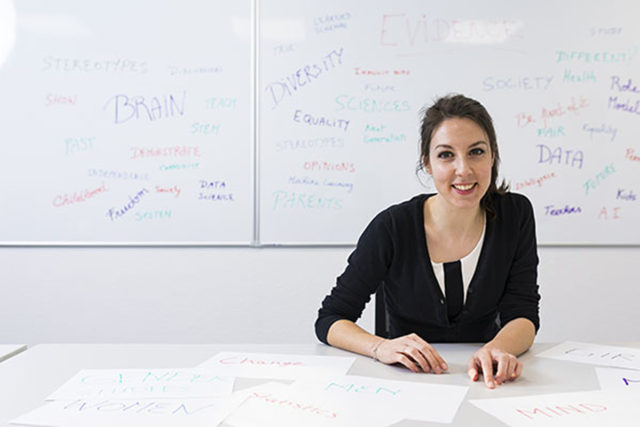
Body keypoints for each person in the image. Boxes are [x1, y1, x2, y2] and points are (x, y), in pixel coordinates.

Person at [315, 94, 540, 389]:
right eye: (446, 155)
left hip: (486, 382)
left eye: (476, 152)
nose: (464, 169)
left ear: (493, 155)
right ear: (428, 163)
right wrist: (380, 347)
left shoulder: (515, 215)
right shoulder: (393, 227)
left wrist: (497, 349)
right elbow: (331, 319)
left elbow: (523, 314)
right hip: (404, 385)